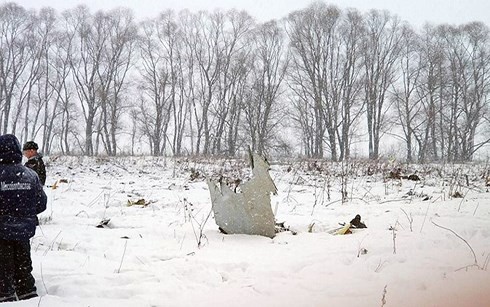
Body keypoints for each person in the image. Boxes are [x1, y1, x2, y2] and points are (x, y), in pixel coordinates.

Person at [0, 134, 47, 302]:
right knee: (23, 263)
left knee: (3, 265)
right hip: (24, 230)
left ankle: (5, 294)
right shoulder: (30, 175)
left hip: (2, 231)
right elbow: (42, 203)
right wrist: (24, 213)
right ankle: (27, 294)